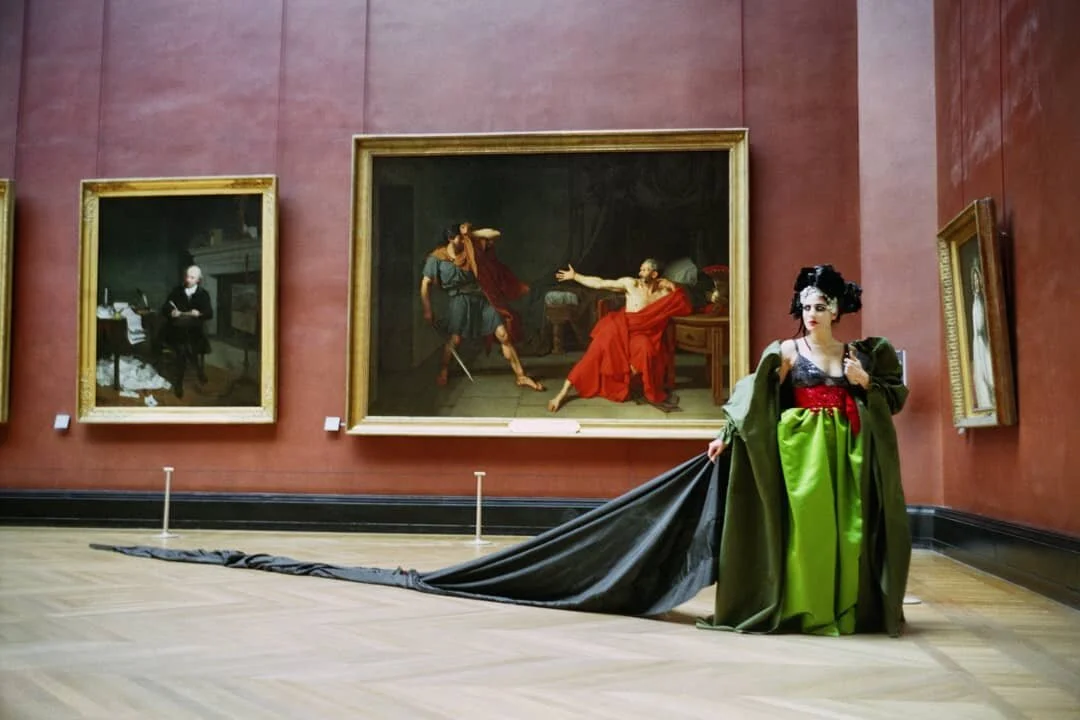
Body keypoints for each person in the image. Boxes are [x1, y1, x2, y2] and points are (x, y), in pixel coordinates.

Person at [703, 264, 910, 636]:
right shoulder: (788, 351)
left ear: (836, 310)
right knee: (808, 529)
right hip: (801, 450)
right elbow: (755, 397)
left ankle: (847, 607)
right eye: (806, 307)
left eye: (819, 307)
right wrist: (726, 436)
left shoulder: (858, 354)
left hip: (849, 450)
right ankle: (805, 608)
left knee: (848, 528)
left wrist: (865, 382)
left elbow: (892, 398)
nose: (810, 314)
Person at [547, 259, 692, 412]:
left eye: (645, 270)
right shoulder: (631, 284)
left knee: (647, 349)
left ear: (655, 274)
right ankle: (561, 394)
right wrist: (575, 276)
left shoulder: (663, 292)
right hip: (619, 329)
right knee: (594, 354)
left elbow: (684, 301)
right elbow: (600, 283)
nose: (640, 273)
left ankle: (627, 382)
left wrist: (671, 284)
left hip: (641, 335)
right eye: (641, 269)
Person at [420, 223, 542, 390]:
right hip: (459, 300)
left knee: (503, 335)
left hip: (481, 299)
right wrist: (427, 309)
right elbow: (425, 284)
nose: (464, 241)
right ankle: (444, 370)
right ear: (450, 239)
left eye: (465, 238)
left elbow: (495, 233)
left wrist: (470, 234)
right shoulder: (437, 258)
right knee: (455, 339)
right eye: (460, 238)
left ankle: (521, 376)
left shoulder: (470, 249)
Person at [160, 265, 213, 398]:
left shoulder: (203, 294)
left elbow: (209, 313)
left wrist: (199, 313)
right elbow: (165, 307)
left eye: (192, 277)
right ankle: (181, 382)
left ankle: (195, 372)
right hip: (176, 330)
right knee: (182, 347)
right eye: (187, 276)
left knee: (187, 347)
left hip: (195, 331)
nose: (188, 280)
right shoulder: (177, 291)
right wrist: (172, 312)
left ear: (198, 280)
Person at [970, 264, 995, 408]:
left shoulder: (983, 301)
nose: (976, 283)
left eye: (977, 279)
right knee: (980, 374)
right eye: (974, 281)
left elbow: (980, 326)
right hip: (978, 343)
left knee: (988, 371)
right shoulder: (975, 300)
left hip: (984, 341)